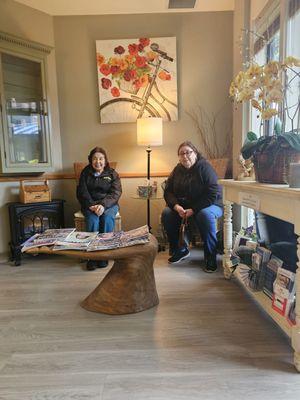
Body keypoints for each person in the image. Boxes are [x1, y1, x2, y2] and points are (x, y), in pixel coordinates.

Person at [161, 141, 223, 272]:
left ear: (195, 153)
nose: (185, 156)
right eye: (181, 153)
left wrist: (194, 209)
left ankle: (210, 255)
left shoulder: (205, 168)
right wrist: (176, 206)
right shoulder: (177, 169)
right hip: (184, 207)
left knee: (204, 214)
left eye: (188, 152)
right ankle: (180, 250)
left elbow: (213, 193)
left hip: (211, 204)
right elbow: (168, 191)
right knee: (167, 213)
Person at [77, 147, 122, 270]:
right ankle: (92, 256)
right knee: (93, 221)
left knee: (107, 219)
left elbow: (116, 193)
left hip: (109, 205)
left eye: (101, 158)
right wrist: (92, 205)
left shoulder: (112, 173)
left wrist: (103, 205)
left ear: (105, 160)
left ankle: (103, 255)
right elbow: (82, 192)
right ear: (90, 160)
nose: (98, 161)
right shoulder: (85, 173)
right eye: (95, 159)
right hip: (90, 205)